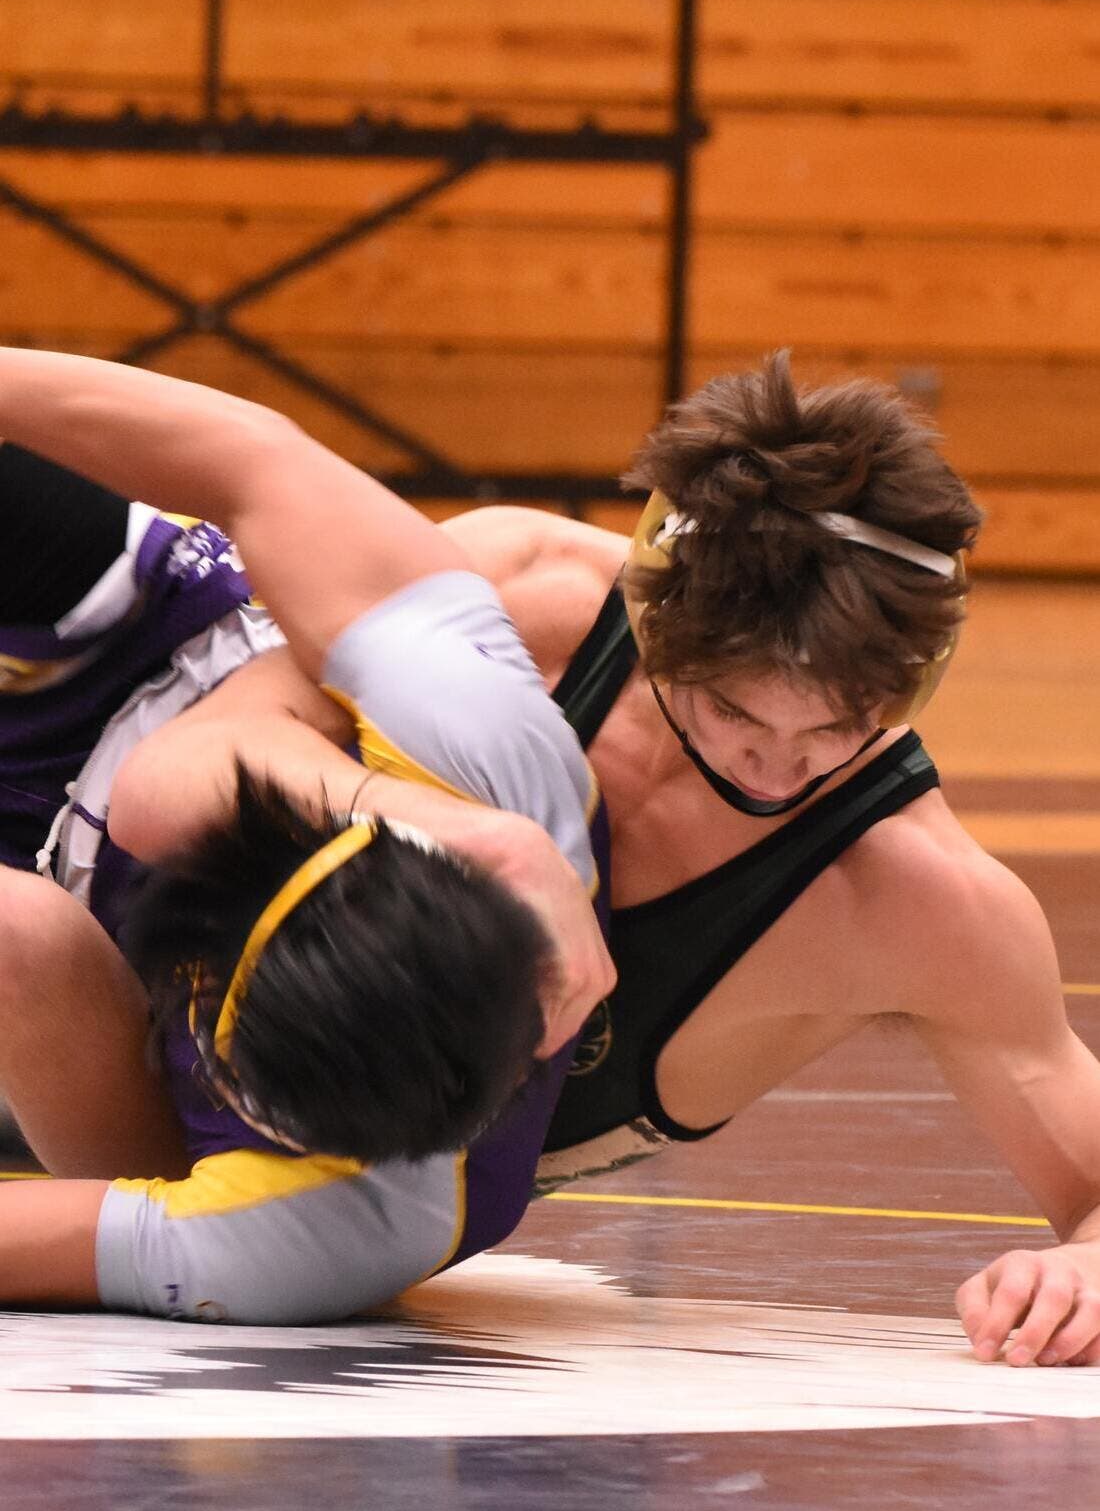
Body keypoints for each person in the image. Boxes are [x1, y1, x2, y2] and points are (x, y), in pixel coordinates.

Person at [5, 349, 1100, 1371]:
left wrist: (1082, 1271)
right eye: (725, 708)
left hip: (119, 1025)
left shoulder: (916, 903)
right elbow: (175, 771)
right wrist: (475, 836)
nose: (775, 765)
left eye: (842, 727)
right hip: (140, 698)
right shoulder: (526, 631)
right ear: (653, 610)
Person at [0, 349, 612, 1320]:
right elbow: (261, 464)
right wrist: (476, 832)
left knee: (17, 934)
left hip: (57, 942)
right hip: (155, 661)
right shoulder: (494, 763)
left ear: (244, 1100)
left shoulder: (319, 1236)